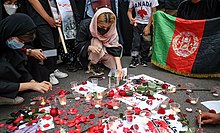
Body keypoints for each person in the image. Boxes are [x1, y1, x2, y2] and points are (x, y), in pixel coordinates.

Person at [0, 13, 52, 105]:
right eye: (20, 41)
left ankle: (10, 91)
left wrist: (31, 81)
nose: (22, 44)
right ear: (11, 32)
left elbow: (18, 63)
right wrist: (30, 85)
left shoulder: (5, 39)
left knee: (17, 55)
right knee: (4, 67)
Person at [26, 0, 68, 85]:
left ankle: (54, 68)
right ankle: (49, 72)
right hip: (40, 17)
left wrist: (60, 13)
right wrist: (48, 19)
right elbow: (33, 1)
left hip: (53, 13)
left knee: (55, 44)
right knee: (48, 45)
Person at [75, 8, 124, 79]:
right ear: (96, 22)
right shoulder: (85, 25)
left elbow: (114, 47)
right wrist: (89, 47)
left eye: (108, 27)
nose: (105, 29)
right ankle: (93, 64)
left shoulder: (112, 28)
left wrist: (119, 68)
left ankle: (101, 62)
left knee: (114, 66)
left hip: (106, 49)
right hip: (90, 51)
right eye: (102, 26)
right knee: (96, 41)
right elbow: (77, 45)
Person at [127, 0, 159, 68]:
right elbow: (129, 11)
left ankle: (144, 58)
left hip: (147, 23)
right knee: (136, 41)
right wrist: (131, 19)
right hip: (137, 23)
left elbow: (154, 12)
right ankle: (134, 58)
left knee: (146, 41)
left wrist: (148, 26)